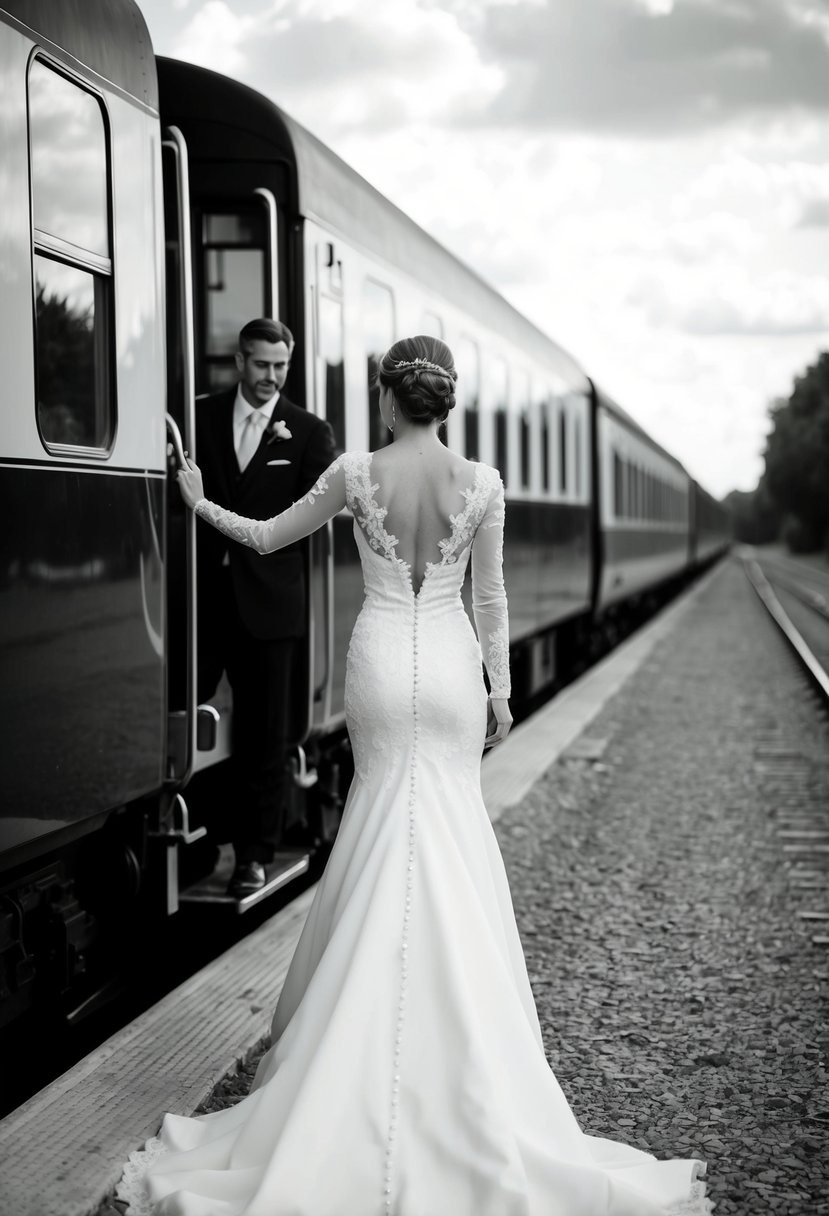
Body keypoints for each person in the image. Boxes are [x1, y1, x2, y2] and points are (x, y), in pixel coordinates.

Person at [117, 336, 711, 1215]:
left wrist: (203, 502)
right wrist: (500, 691)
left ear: (389, 400)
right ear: (447, 404)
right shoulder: (484, 484)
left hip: (383, 668)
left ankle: (347, 1052)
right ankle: (467, 1055)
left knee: (377, 825)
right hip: (450, 670)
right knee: (449, 836)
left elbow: (271, 538)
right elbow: (491, 596)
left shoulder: (355, 474)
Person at [195, 318, 337, 896]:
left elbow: (316, 515)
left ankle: (255, 854)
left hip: (271, 605)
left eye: (280, 366)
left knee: (265, 735)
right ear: (239, 361)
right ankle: (202, 835)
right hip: (203, 600)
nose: (270, 377)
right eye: (260, 365)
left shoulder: (306, 431)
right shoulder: (200, 415)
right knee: (194, 721)